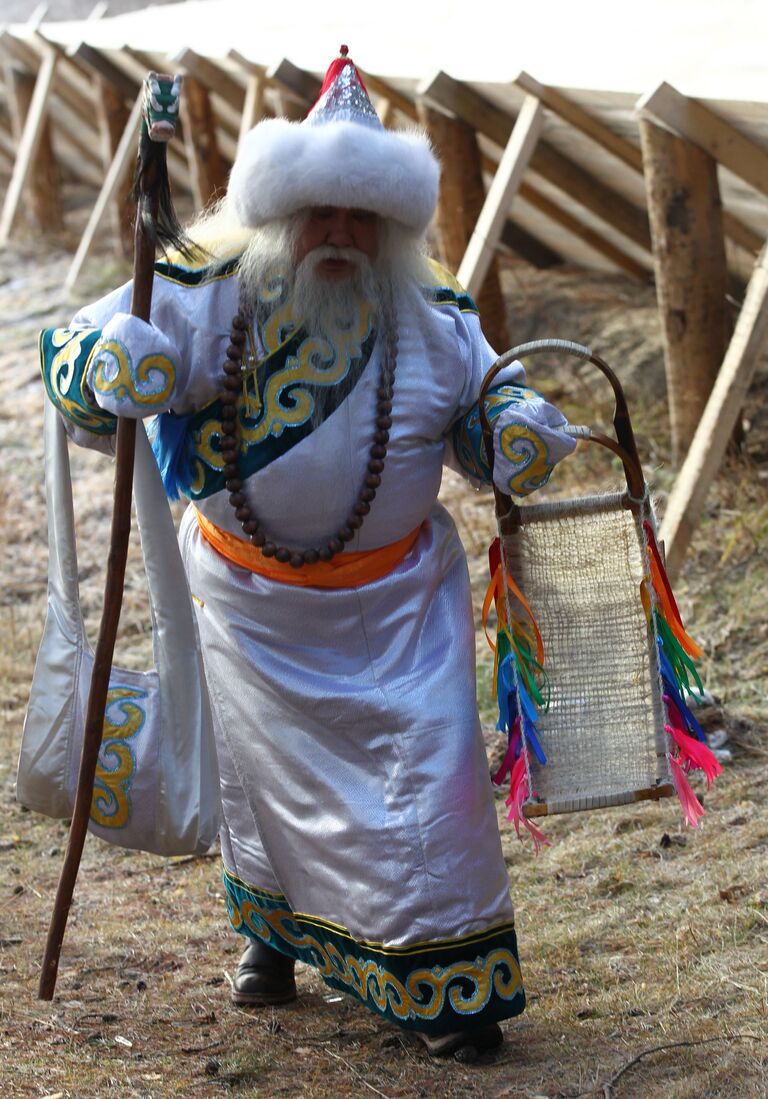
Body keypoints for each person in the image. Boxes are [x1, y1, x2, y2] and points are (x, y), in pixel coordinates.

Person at [39, 49, 574, 1057]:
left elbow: (483, 398)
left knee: (430, 797)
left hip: (405, 615)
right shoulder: (202, 293)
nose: (339, 232)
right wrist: (115, 365)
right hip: (247, 609)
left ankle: (451, 991)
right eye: (320, 211)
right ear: (282, 217)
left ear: (392, 229)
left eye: (360, 216)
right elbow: (72, 356)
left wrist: (513, 424)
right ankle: (273, 942)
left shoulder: (438, 315)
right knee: (260, 789)